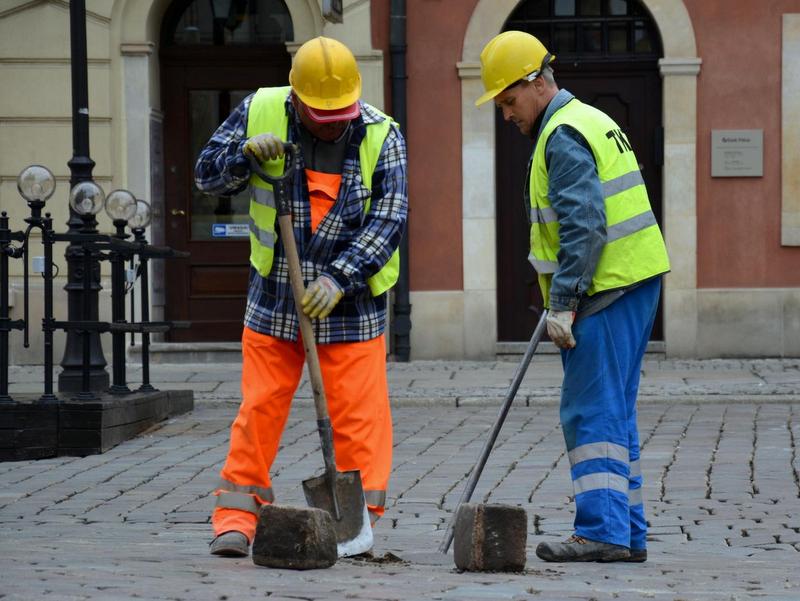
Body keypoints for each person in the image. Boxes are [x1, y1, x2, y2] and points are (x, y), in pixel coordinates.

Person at [195, 36, 407, 557]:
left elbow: (389, 218)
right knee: (259, 410)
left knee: (360, 419)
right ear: (296, 100)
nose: (334, 122)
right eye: (322, 115)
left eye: (343, 114)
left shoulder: (384, 135)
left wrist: (339, 278)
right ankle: (237, 519)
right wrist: (243, 157)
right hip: (274, 299)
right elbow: (207, 174)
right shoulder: (261, 108)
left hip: (350, 305)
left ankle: (355, 524)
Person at [475, 31, 670, 563]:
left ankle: (602, 530)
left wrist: (563, 302)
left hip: (605, 290)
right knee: (614, 410)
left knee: (589, 410)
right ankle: (625, 531)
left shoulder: (561, 135)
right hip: (634, 279)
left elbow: (584, 225)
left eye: (510, 101)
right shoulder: (589, 119)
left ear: (537, 83)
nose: (507, 115)